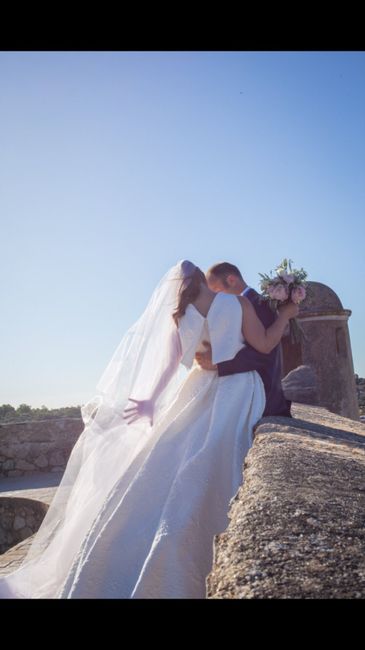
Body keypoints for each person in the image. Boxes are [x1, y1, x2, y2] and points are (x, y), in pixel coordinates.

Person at [0, 260, 298, 599]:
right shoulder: (236, 302)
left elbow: (173, 363)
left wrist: (150, 401)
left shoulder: (182, 318)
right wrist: (286, 315)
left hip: (198, 389)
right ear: (204, 279)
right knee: (218, 455)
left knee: (171, 462)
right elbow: (264, 345)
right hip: (236, 388)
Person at [195, 262, 292, 417]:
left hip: (263, 399)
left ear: (232, 280)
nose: (214, 298)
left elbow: (264, 354)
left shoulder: (259, 304)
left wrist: (219, 364)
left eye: (215, 290)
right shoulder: (238, 306)